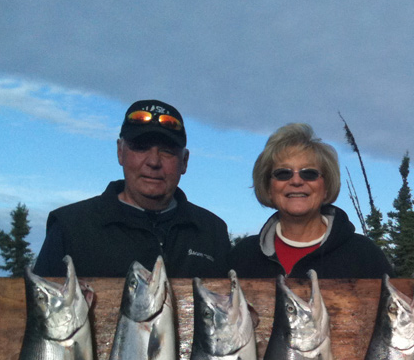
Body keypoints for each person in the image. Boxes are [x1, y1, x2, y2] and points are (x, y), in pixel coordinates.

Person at [34, 99, 230, 278]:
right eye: (141, 147)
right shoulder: (70, 227)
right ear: (120, 152)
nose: (153, 161)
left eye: (167, 151)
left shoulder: (212, 231)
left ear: (184, 162)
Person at [229, 123, 393, 279]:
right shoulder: (242, 256)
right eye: (283, 173)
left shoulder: (364, 254)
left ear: (326, 186)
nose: (296, 181)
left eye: (309, 173)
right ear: (268, 187)